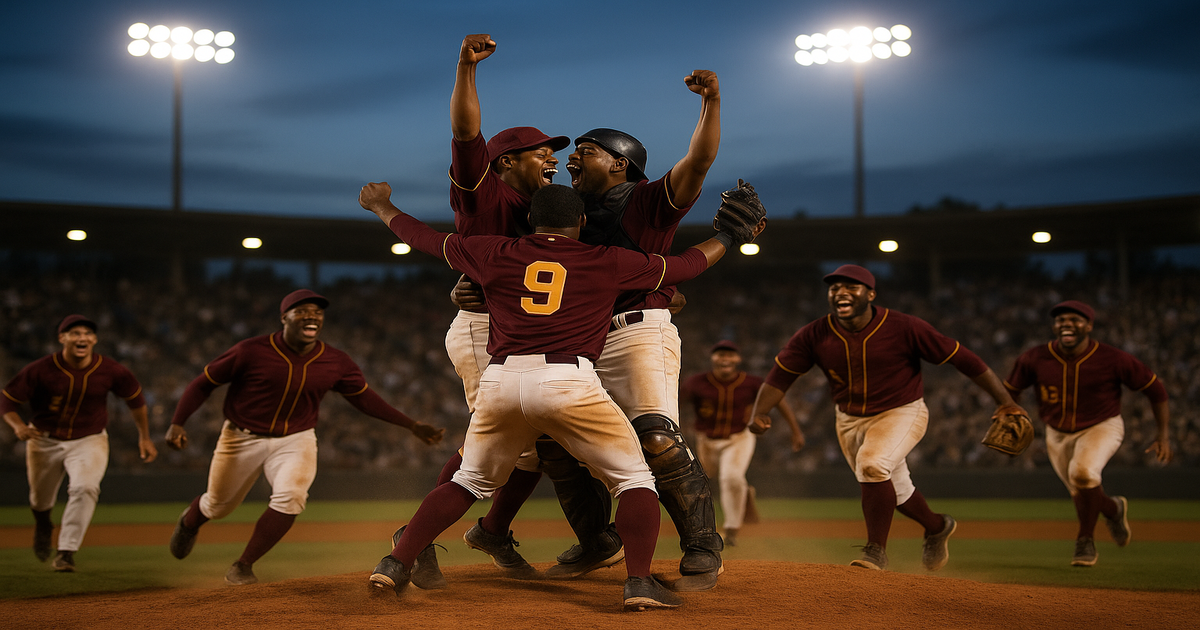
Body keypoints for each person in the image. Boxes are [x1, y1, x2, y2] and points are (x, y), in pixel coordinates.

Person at [360, 181, 759, 610]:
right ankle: (640, 583)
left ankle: (394, 564)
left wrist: (383, 207)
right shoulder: (605, 260)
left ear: (530, 221)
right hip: (568, 379)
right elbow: (687, 264)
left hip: (501, 379)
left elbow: (421, 237)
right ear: (583, 222)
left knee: (467, 481)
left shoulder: (492, 250)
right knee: (634, 479)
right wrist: (728, 237)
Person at [528, 65, 725, 589]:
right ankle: (597, 541)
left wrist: (710, 102)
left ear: (621, 164)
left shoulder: (644, 200)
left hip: (637, 330)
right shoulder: (567, 216)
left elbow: (700, 161)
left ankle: (703, 545)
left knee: (655, 437)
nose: (573, 156)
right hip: (581, 339)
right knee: (551, 438)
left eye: (587, 150)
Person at [749, 264, 1028, 572]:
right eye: (834, 287)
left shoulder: (904, 327)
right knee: (895, 487)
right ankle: (936, 527)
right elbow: (779, 377)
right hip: (848, 418)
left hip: (901, 411)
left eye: (851, 286)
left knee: (872, 466)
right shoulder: (814, 334)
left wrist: (1006, 402)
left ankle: (875, 551)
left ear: (871, 294)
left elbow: (964, 359)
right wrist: (759, 412)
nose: (841, 291)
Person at [164, 290, 444, 585]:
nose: (312, 315)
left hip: (296, 439)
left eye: (317, 312)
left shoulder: (335, 360)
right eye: (302, 311)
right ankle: (190, 520)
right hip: (241, 437)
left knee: (291, 497)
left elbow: (364, 399)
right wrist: (178, 422)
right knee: (218, 506)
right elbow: (203, 383)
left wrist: (411, 425)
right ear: (284, 317)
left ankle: (243, 565)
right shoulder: (251, 350)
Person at [426, 33, 573, 582]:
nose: (553, 161)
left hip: (520, 331)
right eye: (543, 154)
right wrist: (466, 67)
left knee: (531, 449)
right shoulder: (485, 193)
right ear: (507, 162)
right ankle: (413, 539)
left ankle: (489, 531)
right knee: (489, 447)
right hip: (484, 327)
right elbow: (466, 132)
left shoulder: (544, 211)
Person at [1003, 300, 1171, 567]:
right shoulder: (1034, 357)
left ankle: (1085, 541)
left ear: (1089, 326)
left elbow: (1155, 390)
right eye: (1060, 320)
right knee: (1080, 491)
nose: (1066, 324)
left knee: (1082, 474)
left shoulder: (1113, 358)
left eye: (1075, 319)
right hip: (1056, 432)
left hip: (1101, 425)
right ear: (1054, 326)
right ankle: (1113, 509)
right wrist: (1010, 414)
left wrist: (1162, 434)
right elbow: (1010, 389)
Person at [1, 314, 157, 572]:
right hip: (43, 438)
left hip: (89, 439)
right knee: (39, 499)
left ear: (94, 339)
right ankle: (42, 524)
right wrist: (18, 426)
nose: (81, 337)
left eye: (87, 333)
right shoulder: (40, 369)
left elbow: (135, 400)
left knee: (85, 488)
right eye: (74, 333)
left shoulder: (111, 370)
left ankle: (66, 551)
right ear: (62, 338)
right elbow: (7, 400)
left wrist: (144, 436)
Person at [680, 340, 803, 546]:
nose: (725, 358)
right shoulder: (696, 382)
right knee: (704, 480)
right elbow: (676, 405)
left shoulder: (752, 382)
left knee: (731, 478)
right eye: (720, 354)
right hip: (706, 439)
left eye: (730, 355)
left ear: (738, 359)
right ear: (713, 359)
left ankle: (731, 530)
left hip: (739, 436)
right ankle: (744, 493)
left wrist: (795, 430)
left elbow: (778, 400)